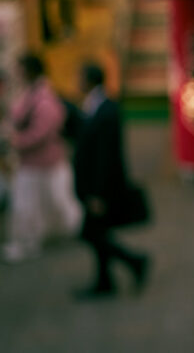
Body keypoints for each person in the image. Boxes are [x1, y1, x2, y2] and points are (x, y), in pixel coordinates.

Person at [72, 62, 149, 298]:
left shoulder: (106, 109)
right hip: (97, 186)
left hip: (103, 187)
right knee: (98, 232)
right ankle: (105, 280)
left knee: (92, 233)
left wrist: (98, 192)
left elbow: (105, 156)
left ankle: (134, 262)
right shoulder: (96, 106)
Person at [1, 53, 83, 262]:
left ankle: (33, 240)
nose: (16, 73)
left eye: (19, 68)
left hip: (43, 160)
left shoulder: (42, 95)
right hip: (38, 161)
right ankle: (45, 235)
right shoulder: (32, 92)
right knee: (40, 201)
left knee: (43, 201)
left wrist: (17, 141)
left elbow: (43, 129)